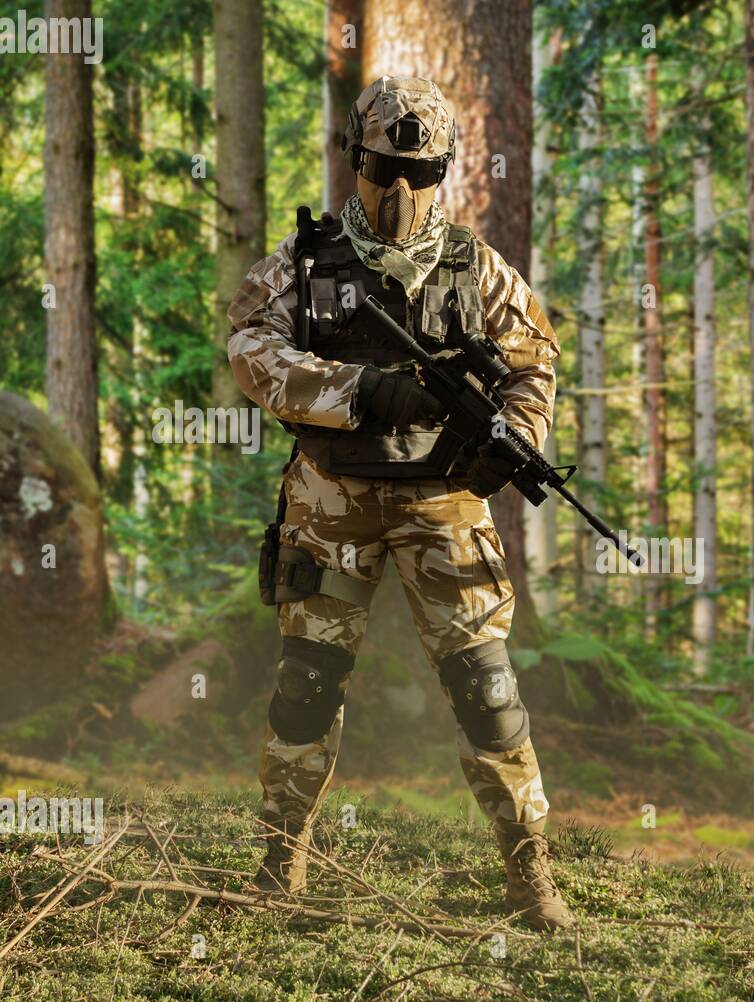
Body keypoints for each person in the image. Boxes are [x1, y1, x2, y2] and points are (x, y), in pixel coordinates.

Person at [227, 75, 572, 932]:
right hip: (332, 496)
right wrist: (360, 391)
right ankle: (282, 861)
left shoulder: (475, 266)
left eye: (423, 173)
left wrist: (507, 437)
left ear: (443, 172)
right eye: (386, 167)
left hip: (442, 499)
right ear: (356, 159)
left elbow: (534, 364)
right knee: (307, 680)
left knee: (487, 686)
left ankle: (530, 872)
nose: (402, 189)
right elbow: (250, 350)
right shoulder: (304, 263)